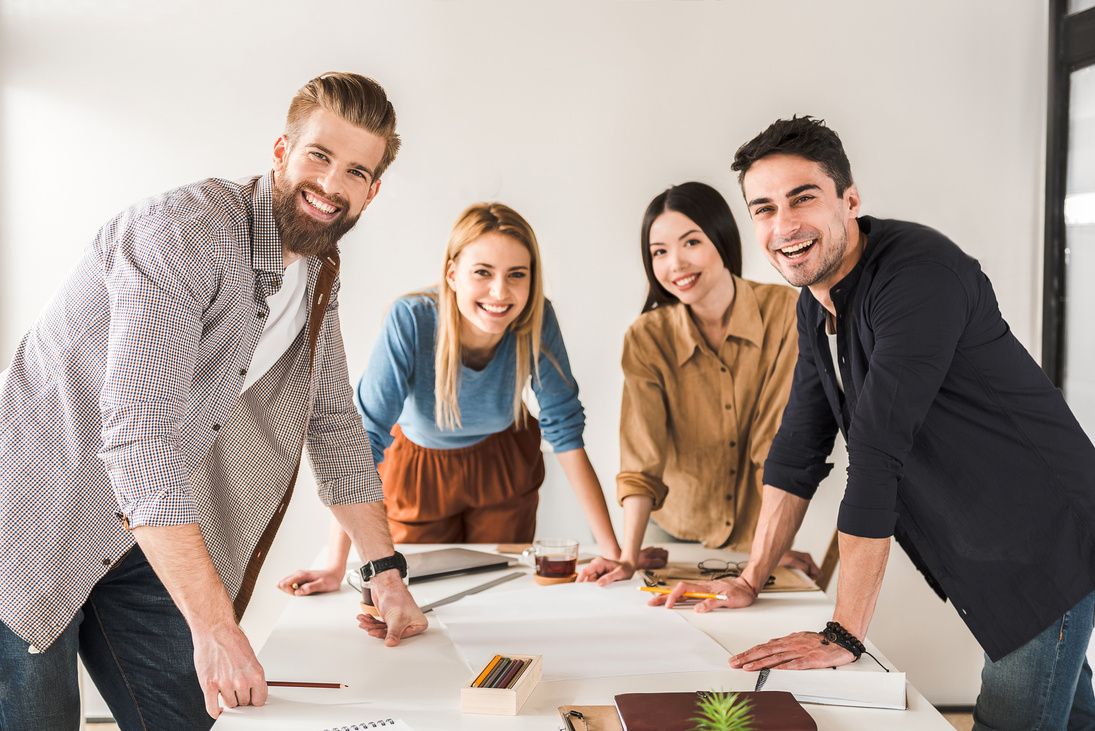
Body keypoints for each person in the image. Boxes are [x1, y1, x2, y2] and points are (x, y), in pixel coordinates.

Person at [0, 72, 427, 731]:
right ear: (282, 150)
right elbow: (138, 437)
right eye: (319, 156)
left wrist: (384, 568)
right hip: (32, 528)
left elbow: (333, 420)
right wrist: (215, 624)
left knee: (199, 720)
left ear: (372, 189)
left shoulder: (316, 267)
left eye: (354, 171)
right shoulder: (182, 236)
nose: (331, 185)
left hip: (140, 540)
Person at [653, 116, 1095, 731]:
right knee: (1070, 715)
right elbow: (799, 448)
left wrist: (844, 632)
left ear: (849, 200)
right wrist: (751, 578)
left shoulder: (918, 278)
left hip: (1044, 540)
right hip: (987, 543)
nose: (784, 227)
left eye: (803, 198)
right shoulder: (817, 302)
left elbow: (877, 454)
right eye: (763, 209)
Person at [278, 202, 623, 596]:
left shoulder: (538, 318)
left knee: (503, 589)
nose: (500, 291)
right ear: (453, 274)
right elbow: (364, 440)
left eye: (517, 275)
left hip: (503, 465)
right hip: (418, 471)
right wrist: (335, 565)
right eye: (483, 272)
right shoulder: (411, 319)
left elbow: (564, 429)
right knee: (423, 591)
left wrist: (612, 551)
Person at [578, 182, 819, 585]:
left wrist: (769, 551)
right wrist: (627, 555)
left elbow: (775, 448)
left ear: (721, 238)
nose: (675, 264)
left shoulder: (785, 314)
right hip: (666, 533)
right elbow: (641, 458)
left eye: (691, 242)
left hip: (751, 535)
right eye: (659, 252)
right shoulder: (646, 337)